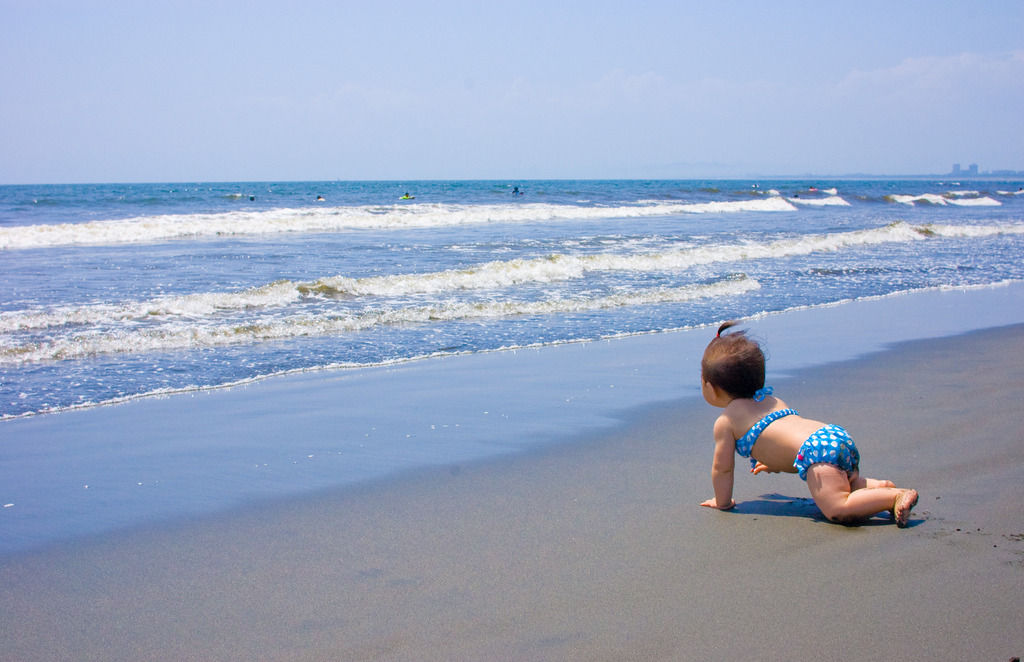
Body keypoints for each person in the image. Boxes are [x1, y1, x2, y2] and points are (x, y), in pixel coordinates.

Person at [699, 321, 919, 526]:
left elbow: (723, 468)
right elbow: (786, 438)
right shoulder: (772, 400)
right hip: (833, 436)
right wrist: (773, 461)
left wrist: (722, 502)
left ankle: (893, 497)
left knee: (837, 508)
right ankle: (878, 488)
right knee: (841, 484)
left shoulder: (726, 421)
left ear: (710, 388)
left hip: (818, 452)